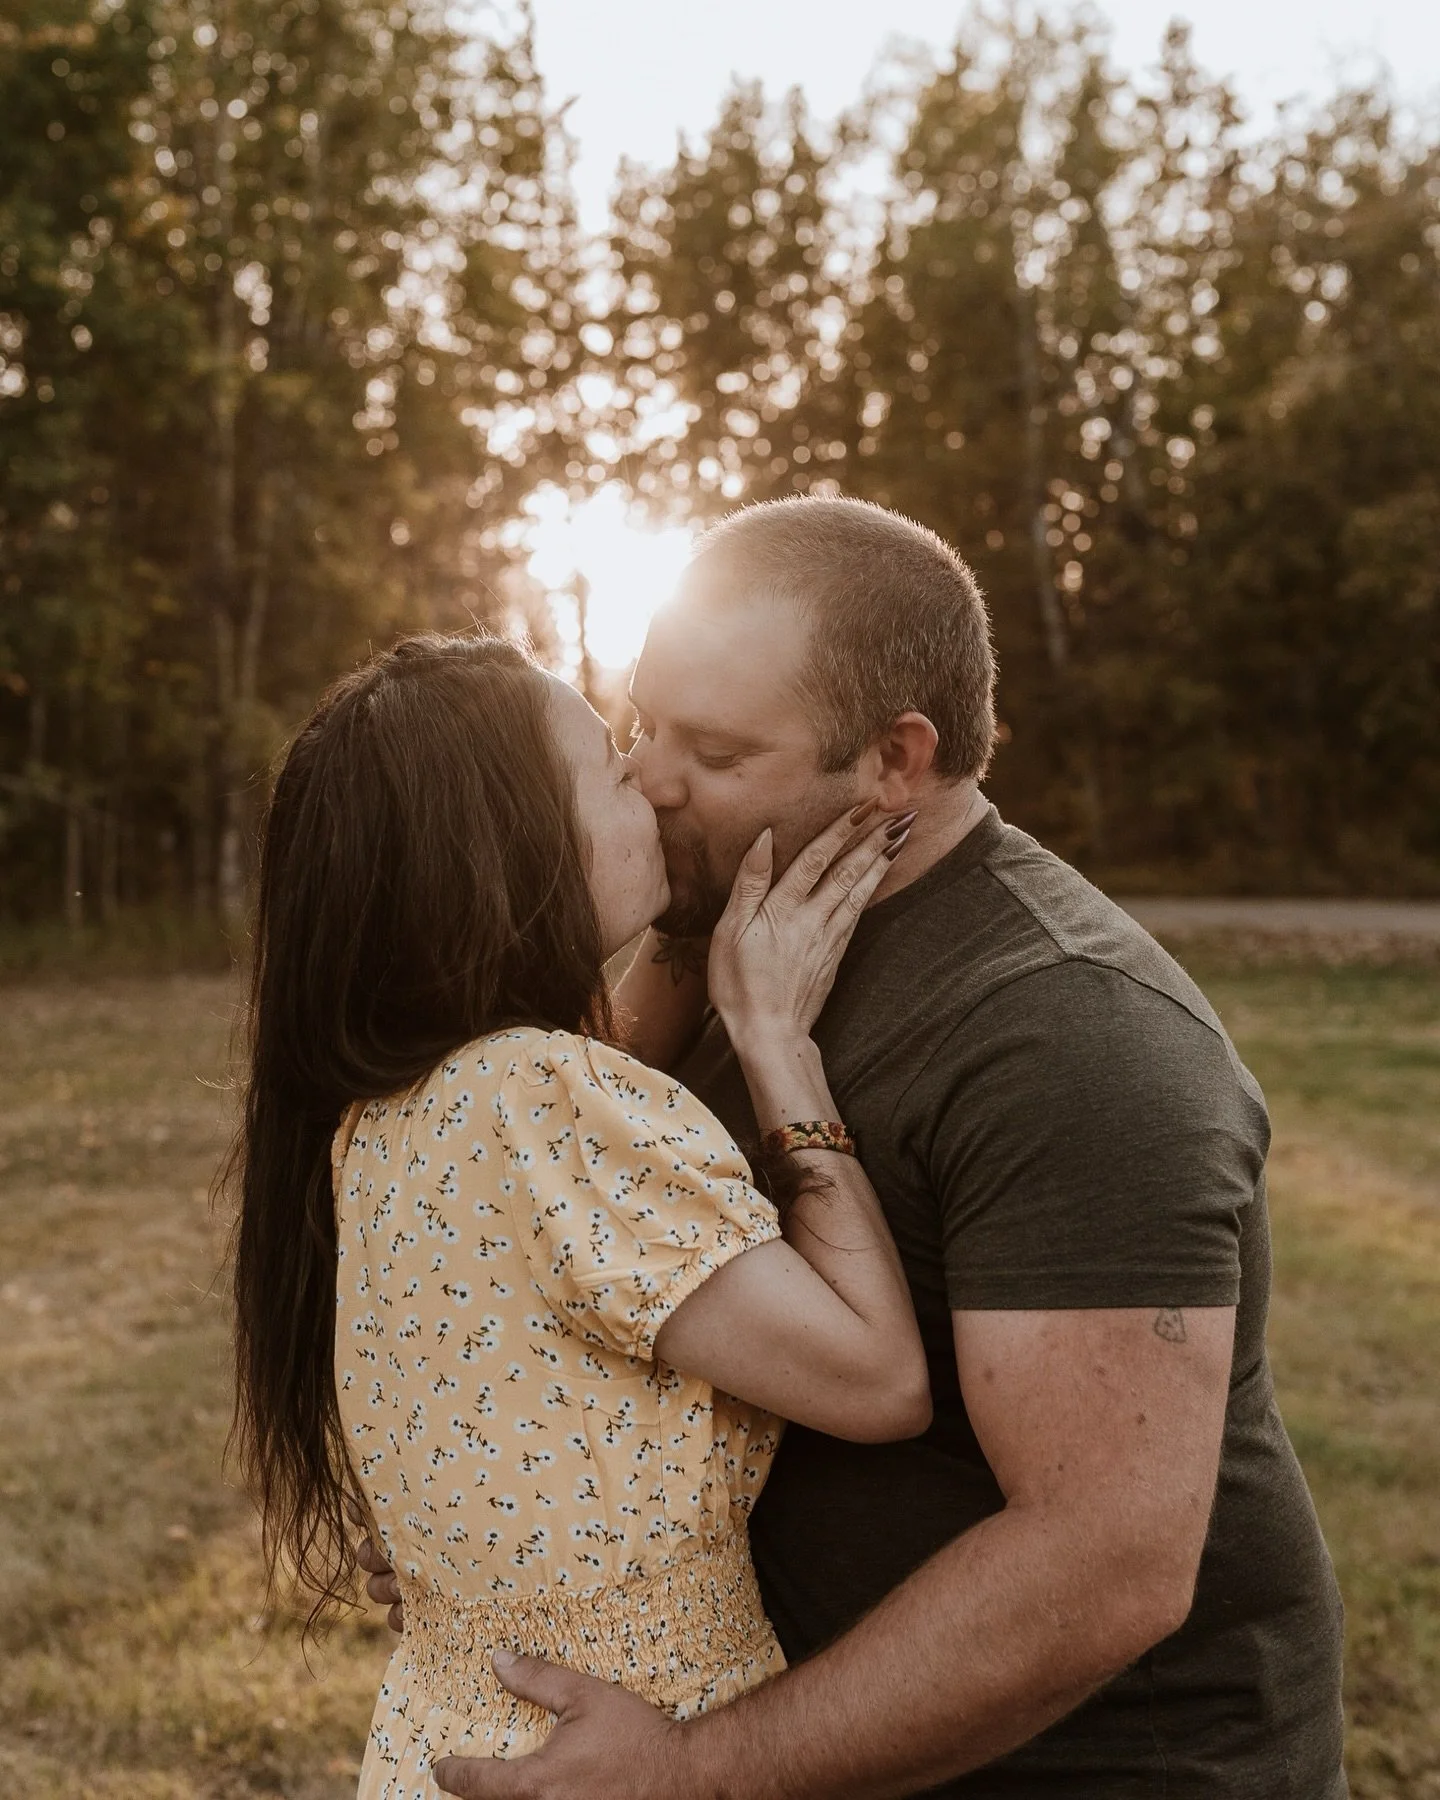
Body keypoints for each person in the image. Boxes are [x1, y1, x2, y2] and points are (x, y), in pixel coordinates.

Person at [411, 497, 1348, 1799]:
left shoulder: (1068, 1036)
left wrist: (692, 1773)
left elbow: (1105, 1562)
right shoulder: (720, 935)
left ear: (896, 761)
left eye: (721, 751)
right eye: (643, 725)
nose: (653, 779)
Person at [229, 632, 933, 1798]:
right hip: (625, 1747)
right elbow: (877, 1380)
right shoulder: (545, 1104)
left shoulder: (393, 1106)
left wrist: (679, 928)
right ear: (508, 852)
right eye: (614, 766)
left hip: (447, 1742)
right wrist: (776, 1046)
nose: (654, 783)